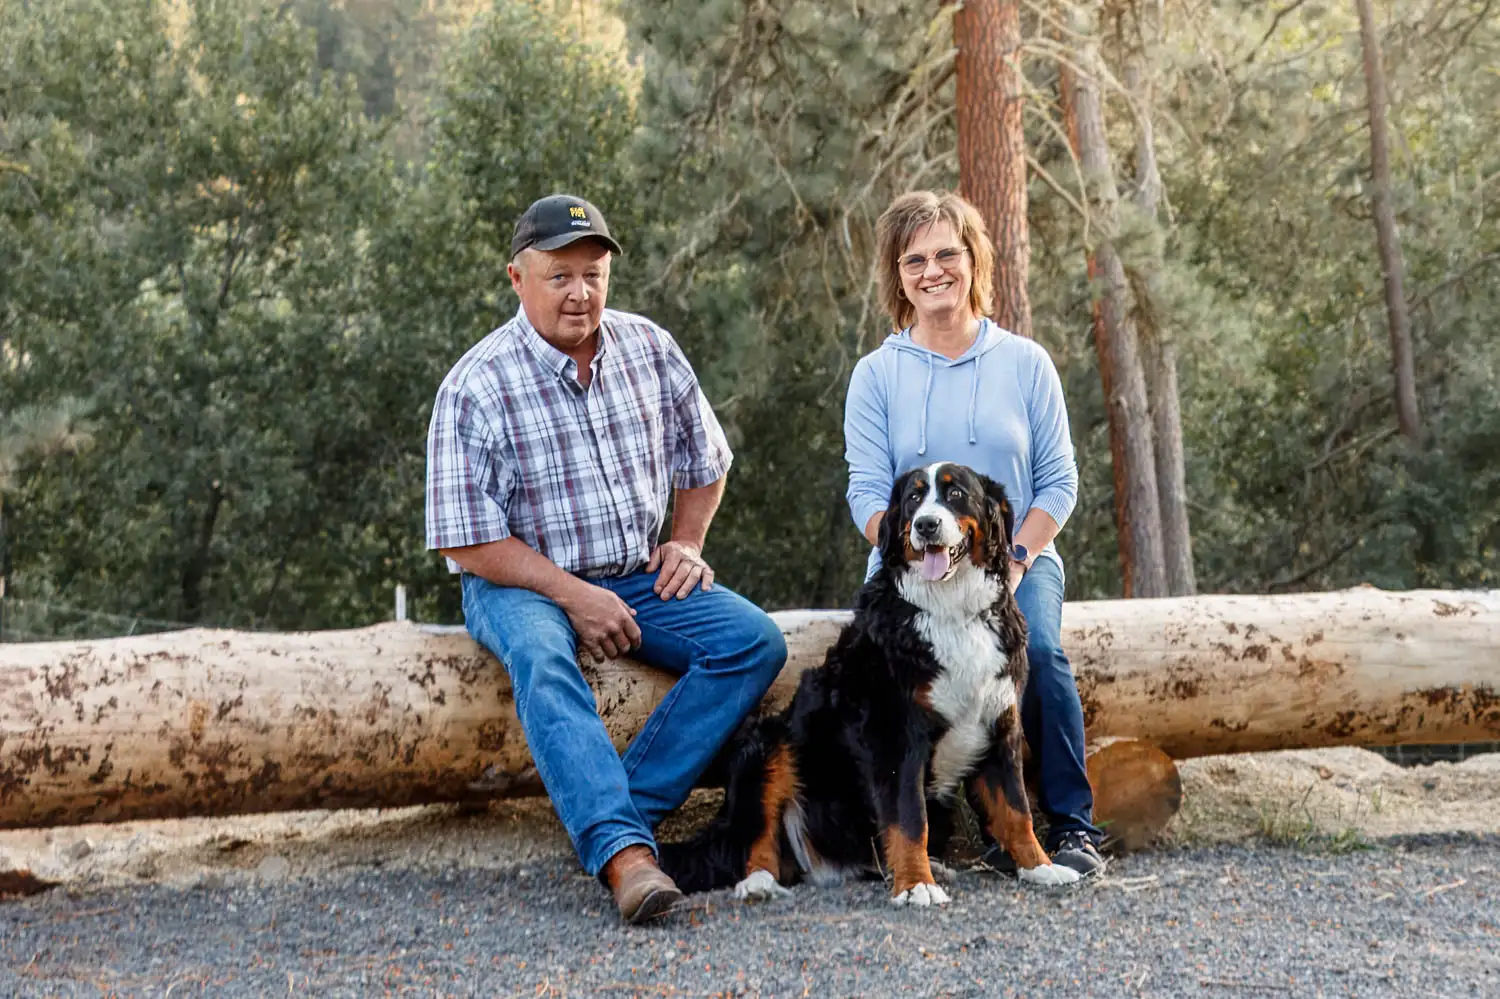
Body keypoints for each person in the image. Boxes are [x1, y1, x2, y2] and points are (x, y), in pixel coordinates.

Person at [425, 194, 788, 923]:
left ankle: (615, 809)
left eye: (593, 273)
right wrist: (571, 596)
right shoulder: (476, 384)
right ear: (517, 278)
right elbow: (465, 538)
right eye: (560, 276)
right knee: (541, 655)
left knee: (754, 642)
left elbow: (707, 459)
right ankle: (626, 859)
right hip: (515, 578)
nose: (580, 292)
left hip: (634, 572)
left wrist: (686, 542)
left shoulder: (649, 347)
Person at [842, 190, 1105, 878]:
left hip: (1014, 559)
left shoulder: (1025, 362)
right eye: (915, 259)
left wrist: (1013, 563)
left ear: (974, 259)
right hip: (911, 571)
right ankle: (912, 830)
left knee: (1039, 652)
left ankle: (1072, 824)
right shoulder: (877, 374)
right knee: (880, 679)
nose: (933, 270)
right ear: (898, 275)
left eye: (946, 254)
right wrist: (916, 555)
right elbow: (867, 492)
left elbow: (1060, 482)